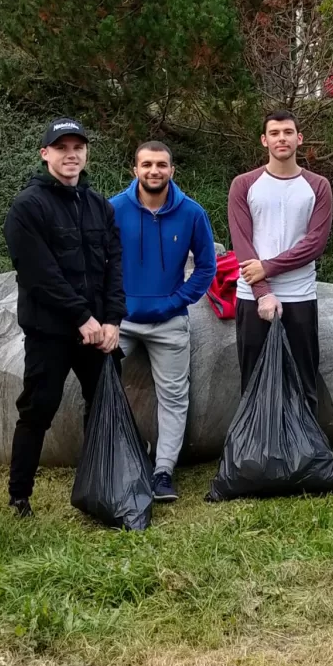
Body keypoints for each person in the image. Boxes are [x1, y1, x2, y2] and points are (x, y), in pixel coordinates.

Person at [3, 117, 125, 517]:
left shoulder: (99, 206)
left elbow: (114, 266)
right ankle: (19, 496)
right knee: (38, 410)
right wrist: (81, 317)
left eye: (78, 148)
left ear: (86, 154)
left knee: (104, 404)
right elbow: (39, 274)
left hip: (99, 331)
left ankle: (101, 482)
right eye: (61, 148)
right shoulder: (27, 206)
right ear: (45, 154)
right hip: (50, 331)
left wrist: (112, 320)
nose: (71, 155)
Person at [109, 141, 217, 502]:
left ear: (172, 170)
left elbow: (206, 268)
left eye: (161, 164)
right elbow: (97, 261)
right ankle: (114, 460)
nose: (154, 170)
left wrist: (176, 301)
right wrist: (112, 306)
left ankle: (163, 472)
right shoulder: (113, 209)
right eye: (147, 164)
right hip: (120, 322)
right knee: (99, 385)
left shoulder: (192, 213)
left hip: (169, 322)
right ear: (135, 170)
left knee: (174, 396)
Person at [228, 109, 333, 413]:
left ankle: (305, 442)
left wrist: (268, 267)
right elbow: (242, 243)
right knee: (254, 382)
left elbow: (314, 244)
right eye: (274, 133)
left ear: (299, 138)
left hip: (299, 294)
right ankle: (255, 442)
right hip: (252, 296)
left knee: (303, 382)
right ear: (264, 140)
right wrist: (263, 291)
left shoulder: (318, 186)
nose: (281, 138)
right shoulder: (244, 184)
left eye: (288, 132)